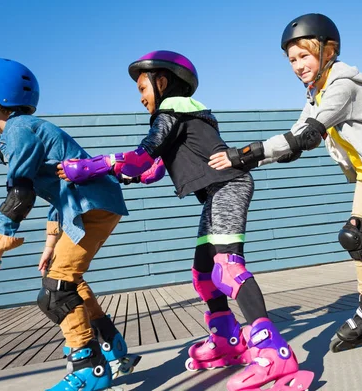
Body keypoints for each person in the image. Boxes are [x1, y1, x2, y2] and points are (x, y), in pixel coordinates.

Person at [208, 14, 362, 378]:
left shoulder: (342, 83)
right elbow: (295, 141)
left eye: (304, 56)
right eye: (292, 60)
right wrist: (248, 161)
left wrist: (242, 154)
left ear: (328, 50)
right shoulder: (317, 92)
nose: (298, 66)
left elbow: (307, 135)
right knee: (354, 237)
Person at [58, 50, 314, 391]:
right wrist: (108, 173)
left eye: (142, 88)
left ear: (162, 82)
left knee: (228, 268)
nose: (141, 98)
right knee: (204, 276)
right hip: (216, 192)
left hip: (229, 185)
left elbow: (138, 158)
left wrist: (93, 166)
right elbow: (148, 171)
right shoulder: (186, 119)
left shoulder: (170, 113)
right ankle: (227, 339)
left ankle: (273, 352)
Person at [0, 57, 138, 391]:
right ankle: (110, 346)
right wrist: (51, 243)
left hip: (91, 205)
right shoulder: (20, 133)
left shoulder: (19, 131)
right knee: (68, 282)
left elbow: (20, 194)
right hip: (88, 205)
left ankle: (87, 368)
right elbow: (55, 191)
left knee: (55, 292)